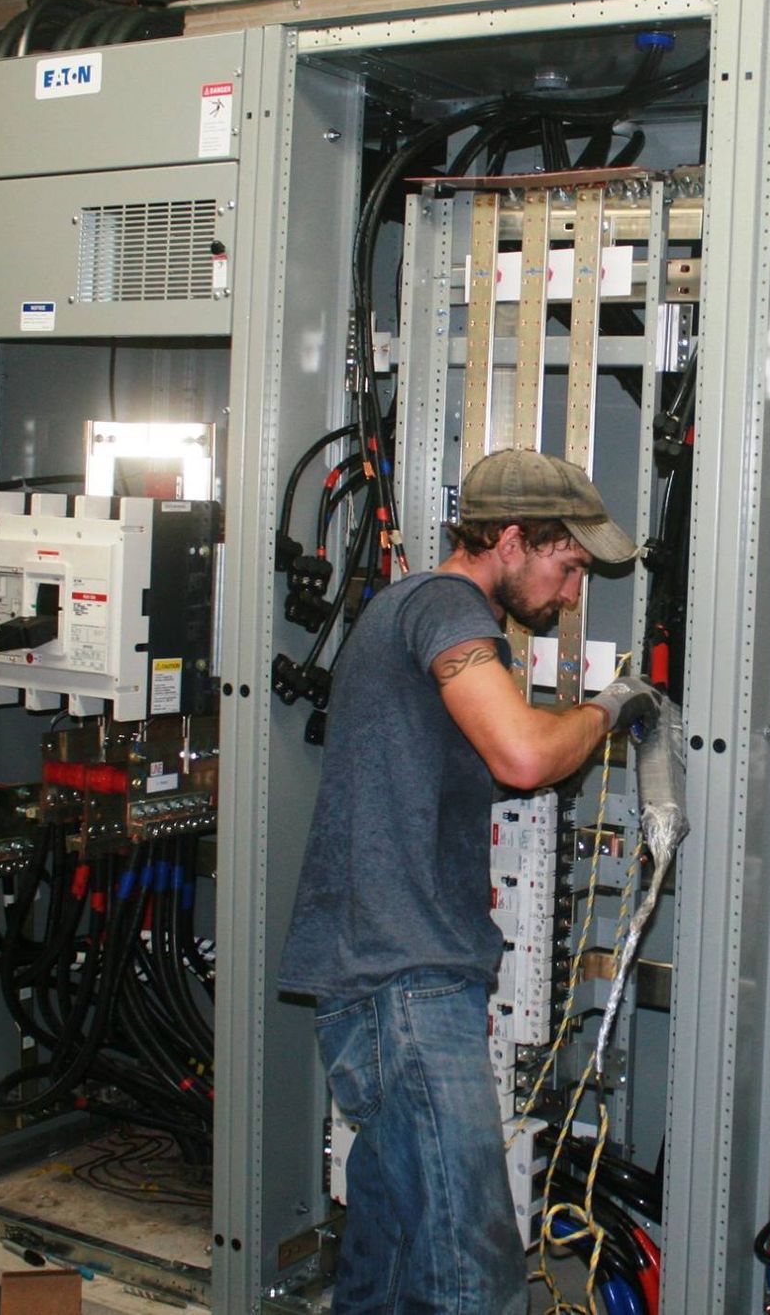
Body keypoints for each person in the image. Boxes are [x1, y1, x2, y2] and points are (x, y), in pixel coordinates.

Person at [278, 447, 662, 1314]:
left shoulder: (416, 613)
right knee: (474, 1267)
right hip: (400, 982)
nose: (570, 595)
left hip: (386, 975)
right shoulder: (444, 605)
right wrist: (613, 705)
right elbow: (525, 754)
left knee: (392, 1253)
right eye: (567, 568)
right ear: (514, 539)